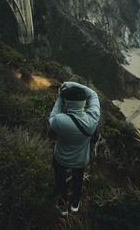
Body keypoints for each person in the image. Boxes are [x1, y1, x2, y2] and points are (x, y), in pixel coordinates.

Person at [49, 81, 100, 216]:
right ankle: (75, 204)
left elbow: (52, 116)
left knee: (60, 180)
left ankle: (62, 205)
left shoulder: (60, 120)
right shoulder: (92, 119)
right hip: (80, 160)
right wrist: (71, 83)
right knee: (78, 180)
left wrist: (60, 96)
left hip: (60, 158)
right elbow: (93, 94)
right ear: (83, 102)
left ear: (67, 102)